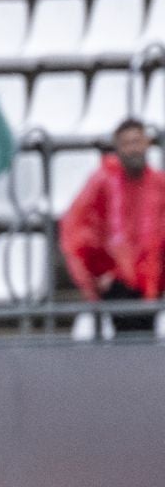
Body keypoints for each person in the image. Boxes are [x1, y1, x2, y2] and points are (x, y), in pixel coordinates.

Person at [60, 118, 165, 334]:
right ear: (118, 147)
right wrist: (96, 273)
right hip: (118, 279)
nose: (133, 148)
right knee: (127, 337)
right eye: (127, 143)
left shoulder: (159, 184)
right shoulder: (102, 184)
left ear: (147, 143)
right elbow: (79, 229)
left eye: (137, 141)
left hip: (155, 277)